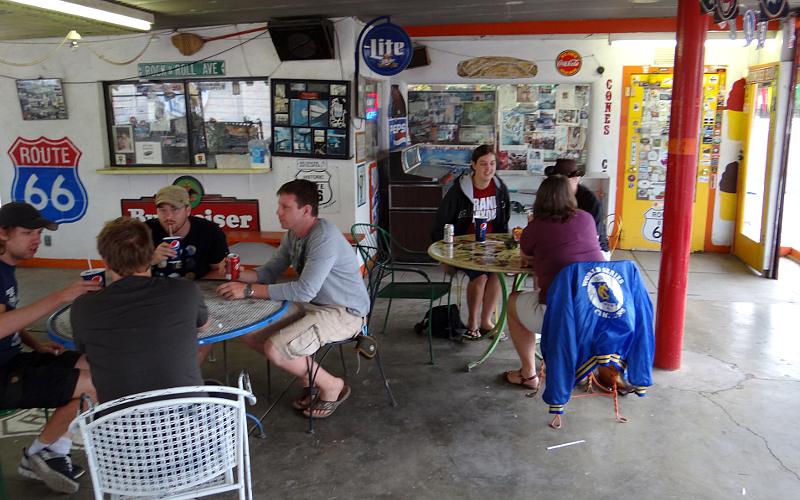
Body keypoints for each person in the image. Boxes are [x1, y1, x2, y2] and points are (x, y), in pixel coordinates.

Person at [216, 180, 369, 419]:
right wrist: (237, 273)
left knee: (275, 349)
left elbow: (304, 289)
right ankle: (310, 376)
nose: (278, 212)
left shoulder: (323, 237)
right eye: (280, 206)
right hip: (314, 306)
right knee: (248, 330)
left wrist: (247, 291)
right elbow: (267, 273)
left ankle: (331, 385)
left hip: (344, 312)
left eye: (285, 207)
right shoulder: (294, 235)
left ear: (306, 210)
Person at [0, 202, 101, 494]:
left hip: (15, 361)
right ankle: (38, 454)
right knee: (95, 386)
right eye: (27, 232)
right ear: (3, 234)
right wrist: (60, 296)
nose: (36, 239)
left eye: (38, 232)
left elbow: (10, 316)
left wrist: (36, 344)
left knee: (91, 363)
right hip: (4, 377)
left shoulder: (7, 268)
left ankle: (53, 450)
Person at [70, 217, 208, 404]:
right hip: (187, 426)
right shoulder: (185, 291)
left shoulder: (83, 307)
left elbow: (86, 350)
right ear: (150, 254)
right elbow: (203, 326)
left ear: (106, 262)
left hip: (119, 427)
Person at [503, 175, 604, 392]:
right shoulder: (586, 218)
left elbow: (526, 258)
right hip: (596, 309)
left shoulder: (536, 228)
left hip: (560, 313)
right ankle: (583, 369)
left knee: (513, 302)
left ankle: (528, 374)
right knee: (564, 292)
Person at [431, 144, 510, 340]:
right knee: (481, 277)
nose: (488, 168)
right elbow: (441, 222)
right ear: (473, 165)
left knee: (497, 276)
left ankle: (486, 321)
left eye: (492, 164)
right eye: (483, 164)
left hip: (492, 247)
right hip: (464, 247)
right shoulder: (459, 190)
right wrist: (444, 257)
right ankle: (472, 322)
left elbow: (503, 222)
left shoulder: (500, 188)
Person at [147, 185, 228, 279]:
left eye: (175, 209)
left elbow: (221, 271)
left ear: (188, 210)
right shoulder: (143, 231)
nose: (168, 216)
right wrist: (151, 260)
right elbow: (127, 272)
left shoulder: (210, 231)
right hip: (154, 291)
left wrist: (194, 288)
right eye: (162, 210)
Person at [544, 159, 610, 259]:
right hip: (564, 244)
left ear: (576, 179)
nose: (557, 185)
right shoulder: (554, 196)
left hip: (594, 250)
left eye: (562, 181)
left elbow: (592, 238)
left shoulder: (590, 202)